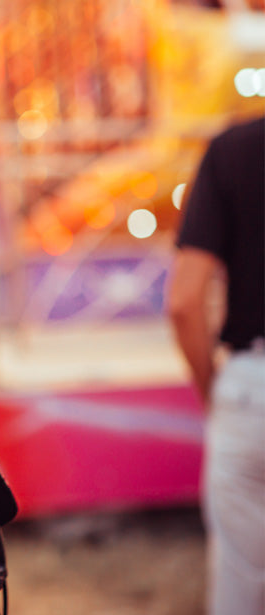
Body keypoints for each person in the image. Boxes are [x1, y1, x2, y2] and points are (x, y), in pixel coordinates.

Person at [166, 114, 264, 615]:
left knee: (241, 584)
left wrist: (213, 391)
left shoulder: (234, 149)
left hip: (252, 387)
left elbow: (184, 301)